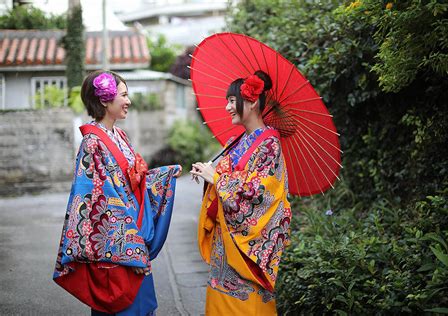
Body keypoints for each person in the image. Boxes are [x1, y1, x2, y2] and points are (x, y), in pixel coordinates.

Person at [53, 70, 181, 315]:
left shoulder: (119, 135)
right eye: (123, 95)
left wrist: (164, 176)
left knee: (141, 307)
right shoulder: (92, 144)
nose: (128, 101)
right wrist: (131, 252)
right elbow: (100, 205)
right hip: (116, 249)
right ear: (104, 100)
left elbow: (133, 183)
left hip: (131, 237)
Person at [191, 70, 292, 315]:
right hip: (225, 241)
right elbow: (229, 179)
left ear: (252, 101)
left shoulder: (269, 144)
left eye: (232, 101)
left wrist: (216, 178)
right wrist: (209, 172)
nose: (227, 107)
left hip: (247, 245)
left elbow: (259, 193)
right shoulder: (236, 142)